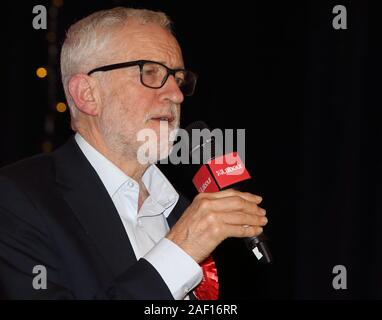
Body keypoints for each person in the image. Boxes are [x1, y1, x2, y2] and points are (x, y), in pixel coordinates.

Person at [0, 7, 268, 299]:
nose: (176, 94)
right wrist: (181, 249)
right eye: (151, 72)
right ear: (87, 94)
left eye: (178, 78)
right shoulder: (17, 199)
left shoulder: (183, 208)